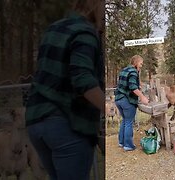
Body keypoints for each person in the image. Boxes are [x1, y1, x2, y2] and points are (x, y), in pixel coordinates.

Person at [25, 0, 104, 179]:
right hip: (66, 123)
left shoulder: (53, 28)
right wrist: (110, 108)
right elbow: (82, 80)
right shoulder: (84, 32)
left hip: (36, 122)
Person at [115, 55, 149, 151]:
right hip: (127, 100)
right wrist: (142, 97)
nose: (141, 66)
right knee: (129, 122)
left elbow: (126, 84)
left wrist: (139, 85)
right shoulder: (133, 71)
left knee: (125, 120)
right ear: (136, 62)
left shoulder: (125, 70)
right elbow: (132, 87)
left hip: (118, 99)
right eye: (141, 63)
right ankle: (128, 145)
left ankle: (121, 142)